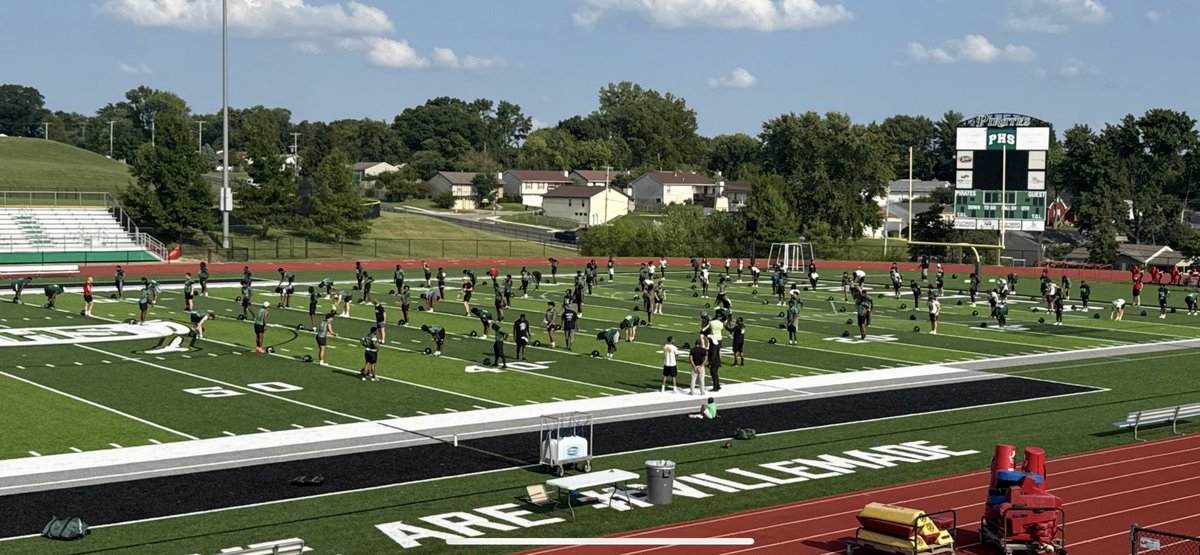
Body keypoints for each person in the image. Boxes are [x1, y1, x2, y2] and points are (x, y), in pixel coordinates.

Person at [707, 315, 724, 392]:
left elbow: (713, 355)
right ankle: (718, 385)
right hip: (717, 361)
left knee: (713, 374)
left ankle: (715, 387)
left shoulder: (713, 347)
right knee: (716, 374)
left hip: (714, 362)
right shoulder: (717, 345)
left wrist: (710, 362)